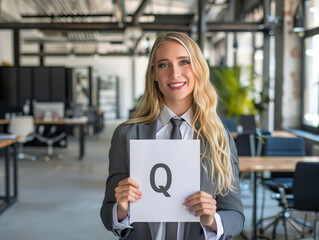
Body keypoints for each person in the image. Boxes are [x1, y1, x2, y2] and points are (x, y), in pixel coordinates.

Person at [100, 32, 244, 240]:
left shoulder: (218, 137)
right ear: (154, 75)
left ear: (198, 69)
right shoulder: (126, 135)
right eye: (164, 65)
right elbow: (107, 214)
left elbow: (236, 216)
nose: (175, 74)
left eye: (184, 62)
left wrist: (211, 220)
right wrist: (121, 209)